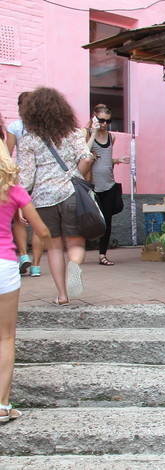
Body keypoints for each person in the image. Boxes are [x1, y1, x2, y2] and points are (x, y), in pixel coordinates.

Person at [17, 87, 93, 305]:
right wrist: (78, 172)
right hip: (70, 194)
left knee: (54, 247)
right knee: (76, 244)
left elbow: (26, 179)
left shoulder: (29, 140)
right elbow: (86, 158)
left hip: (42, 199)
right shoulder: (72, 133)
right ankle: (75, 265)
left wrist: (23, 205)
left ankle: (62, 296)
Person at [0, 128, 51, 422]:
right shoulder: (12, 188)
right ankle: (3, 406)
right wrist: (49, 249)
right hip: (5, 265)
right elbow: (41, 229)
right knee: (5, 337)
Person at [83, 104, 130, 266]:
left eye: (107, 121)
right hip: (91, 185)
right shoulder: (87, 133)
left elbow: (104, 158)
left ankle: (102, 254)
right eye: (101, 120)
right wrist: (93, 132)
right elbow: (82, 154)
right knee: (87, 218)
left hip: (108, 184)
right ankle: (78, 251)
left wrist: (117, 160)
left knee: (107, 221)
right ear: (94, 118)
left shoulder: (111, 137)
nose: (104, 124)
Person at [5, 92, 40, 277]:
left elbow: (8, 154)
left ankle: (24, 255)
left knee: (19, 219)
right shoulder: (43, 127)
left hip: (22, 178)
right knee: (39, 220)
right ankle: (35, 266)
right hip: (42, 177)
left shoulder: (15, 126)